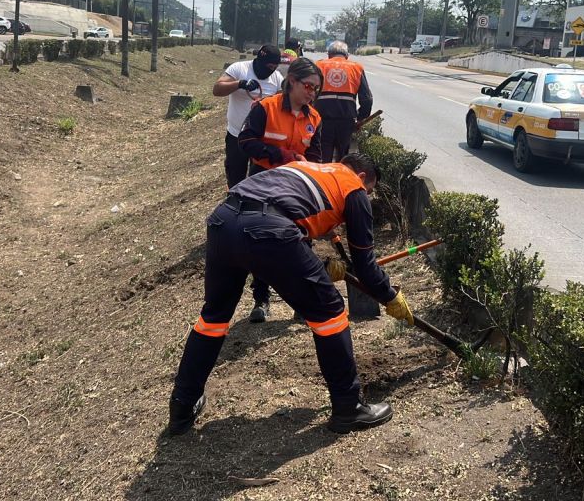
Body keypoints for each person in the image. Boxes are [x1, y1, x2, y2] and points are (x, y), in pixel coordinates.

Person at [167, 153, 413, 436]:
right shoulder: (353, 187)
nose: (366, 197)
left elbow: (283, 219)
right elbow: (365, 267)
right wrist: (390, 295)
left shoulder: (308, 169)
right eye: (369, 191)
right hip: (266, 230)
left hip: (224, 220)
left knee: (214, 316)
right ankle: (349, 407)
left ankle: (182, 406)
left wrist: (319, 266)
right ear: (361, 178)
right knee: (330, 311)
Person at [237, 56, 325, 322]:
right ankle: (261, 300)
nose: (312, 93)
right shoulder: (266, 108)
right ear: (292, 82)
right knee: (263, 243)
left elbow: (317, 156)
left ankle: (302, 300)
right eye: (308, 86)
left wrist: (308, 167)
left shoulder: (315, 118)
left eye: (316, 88)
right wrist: (280, 155)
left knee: (301, 242)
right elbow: (246, 141)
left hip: (296, 187)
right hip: (263, 183)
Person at [212, 45, 284, 188]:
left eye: (274, 67)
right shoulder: (239, 69)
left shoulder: (276, 79)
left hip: (261, 140)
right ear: (259, 60)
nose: (271, 70)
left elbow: (283, 102)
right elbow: (217, 89)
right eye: (269, 66)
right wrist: (239, 84)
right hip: (236, 135)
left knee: (257, 181)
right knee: (235, 177)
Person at [314, 40, 374, 162]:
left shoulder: (319, 66)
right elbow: (367, 99)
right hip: (346, 121)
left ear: (329, 55)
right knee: (343, 158)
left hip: (322, 119)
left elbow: (309, 92)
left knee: (322, 156)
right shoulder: (356, 68)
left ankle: (323, 179)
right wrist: (361, 118)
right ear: (347, 56)